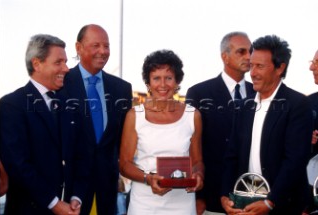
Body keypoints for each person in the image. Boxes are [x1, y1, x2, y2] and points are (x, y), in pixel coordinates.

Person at [221, 35, 312, 215]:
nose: (252, 73)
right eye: (252, 65)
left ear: (280, 68)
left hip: (283, 206)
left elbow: (295, 160)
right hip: (244, 205)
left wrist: (271, 202)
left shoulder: (298, 104)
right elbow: (232, 155)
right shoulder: (243, 106)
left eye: (260, 66)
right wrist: (225, 195)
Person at [0, 34, 89, 215]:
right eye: (58, 62)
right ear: (37, 64)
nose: (66, 68)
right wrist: (54, 204)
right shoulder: (11, 105)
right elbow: (18, 165)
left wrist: (76, 197)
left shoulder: (70, 105)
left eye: (65, 61)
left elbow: (82, 155)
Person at [119, 49, 204, 214]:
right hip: (144, 203)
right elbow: (124, 164)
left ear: (177, 82)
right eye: (156, 78)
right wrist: (148, 179)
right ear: (148, 83)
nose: (163, 85)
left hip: (182, 204)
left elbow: (197, 161)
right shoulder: (135, 115)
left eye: (169, 78)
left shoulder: (192, 115)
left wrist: (199, 175)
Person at [62, 24, 133, 215]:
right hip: (68, 189)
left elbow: (124, 141)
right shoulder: (60, 83)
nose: (103, 51)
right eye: (96, 45)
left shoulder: (122, 89)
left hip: (107, 188)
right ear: (78, 47)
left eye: (107, 46)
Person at [186, 31, 255, 215]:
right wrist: (198, 197)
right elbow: (191, 147)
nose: (249, 56)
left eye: (251, 51)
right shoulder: (199, 93)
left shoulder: (260, 94)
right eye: (241, 51)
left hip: (254, 197)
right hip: (211, 198)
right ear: (224, 56)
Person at [303, 50, 318, 215]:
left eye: (317, 62)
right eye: (312, 62)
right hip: (309, 197)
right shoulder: (307, 104)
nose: (312, 68)